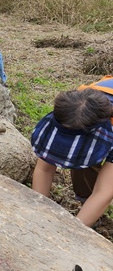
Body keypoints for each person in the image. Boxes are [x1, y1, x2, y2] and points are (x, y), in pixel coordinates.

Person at [31, 87, 113, 228]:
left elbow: (105, 191)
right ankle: (88, 205)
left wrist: (73, 230)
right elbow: (44, 169)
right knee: (81, 160)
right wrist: (38, 212)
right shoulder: (74, 109)